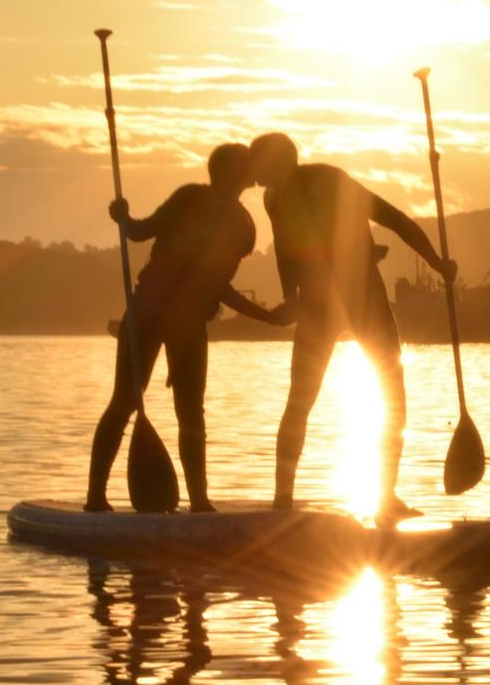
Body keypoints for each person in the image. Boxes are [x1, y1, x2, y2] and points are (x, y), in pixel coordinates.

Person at [247, 132, 455, 524]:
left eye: (258, 160)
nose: (252, 169)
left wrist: (437, 263)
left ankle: (384, 499)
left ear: (279, 160)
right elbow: (284, 251)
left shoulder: (327, 180)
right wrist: (289, 296)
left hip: (361, 300)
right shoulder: (272, 197)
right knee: (302, 400)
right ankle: (282, 501)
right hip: (322, 306)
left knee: (389, 392)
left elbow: (394, 220)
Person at [87, 142, 287, 513]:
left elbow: (214, 282)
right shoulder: (201, 203)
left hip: (183, 323)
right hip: (150, 316)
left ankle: (196, 501)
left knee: (182, 412)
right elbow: (142, 232)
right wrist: (124, 217)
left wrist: (269, 317)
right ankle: (99, 498)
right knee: (133, 403)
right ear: (232, 174)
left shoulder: (242, 226)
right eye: (246, 166)